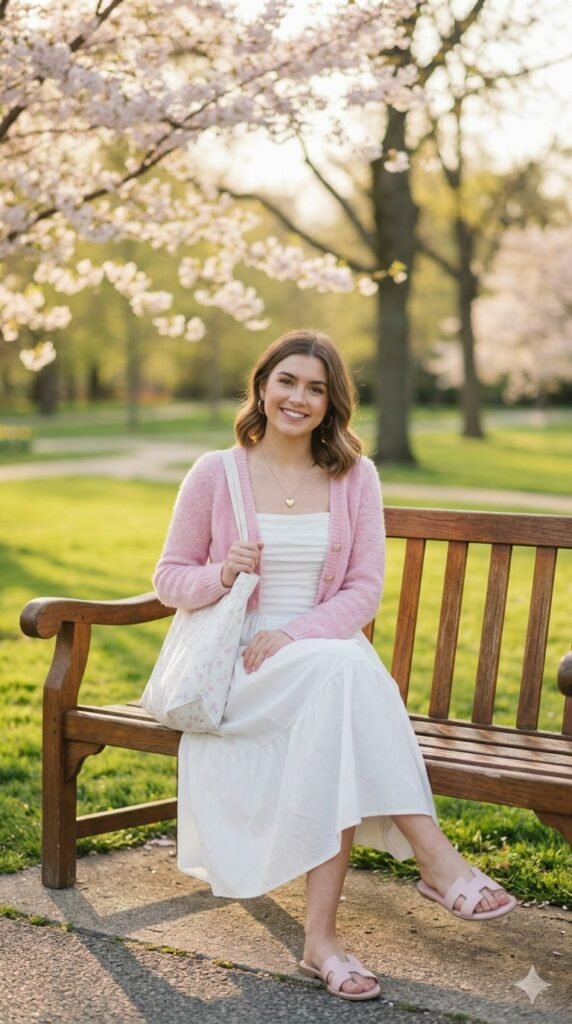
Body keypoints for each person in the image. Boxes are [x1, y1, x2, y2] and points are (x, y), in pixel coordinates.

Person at [152, 328, 517, 1002]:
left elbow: (362, 591)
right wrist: (219, 575)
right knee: (347, 679)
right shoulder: (216, 473)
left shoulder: (355, 475)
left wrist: (295, 635)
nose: (299, 397)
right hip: (239, 665)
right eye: (287, 381)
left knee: (338, 689)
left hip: (314, 653)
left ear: (332, 402)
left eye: (316, 388)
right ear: (262, 385)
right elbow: (168, 577)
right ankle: (432, 862)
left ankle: (322, 942)